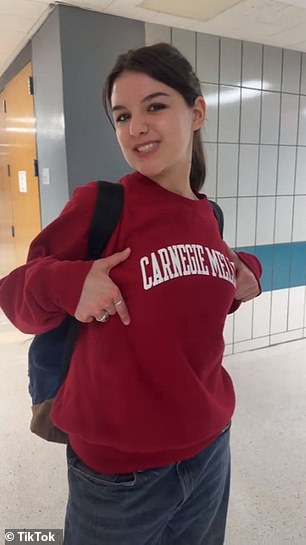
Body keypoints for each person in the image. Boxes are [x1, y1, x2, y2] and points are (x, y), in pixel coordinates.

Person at [0, 42, 262, 545]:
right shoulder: (102, 205)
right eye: (122, 115)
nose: (135, 126)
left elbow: (195, 297)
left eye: (155, 106)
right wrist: (69, 283)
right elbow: (15, 296)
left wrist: (249, 268)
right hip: (119, 477)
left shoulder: (210, 217)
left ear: (197, 111)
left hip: (209, 453)